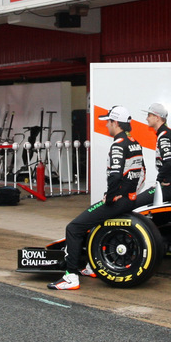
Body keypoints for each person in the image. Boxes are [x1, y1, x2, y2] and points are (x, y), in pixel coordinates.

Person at [49, 105, 145, 291]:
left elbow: (115, 176)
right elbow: (142, 173)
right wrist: (131, 193)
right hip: (130, 199)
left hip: (119, 201)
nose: (107, 125)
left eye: (109, 121)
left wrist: (110, 198)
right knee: (93, 224)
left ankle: (71, 277)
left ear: (116, 123)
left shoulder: (118, 145)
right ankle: (91, 267)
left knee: (74, 228)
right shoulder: (135, 143)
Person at [143, 102, 171, 202]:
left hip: (169, 186)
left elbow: (169, 162)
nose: (146, 118)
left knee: (136, 202)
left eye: (149, 115)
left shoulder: (164, 136)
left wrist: (159, 180)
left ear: (157, 117)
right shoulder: (169, 132)